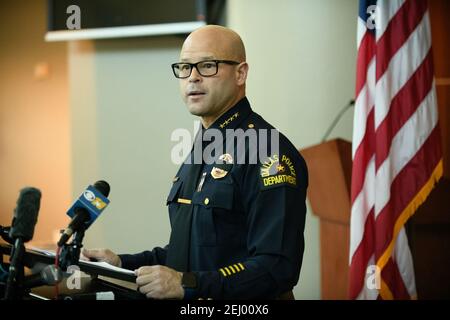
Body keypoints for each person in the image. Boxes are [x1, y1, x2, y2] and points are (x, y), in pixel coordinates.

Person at [83, 25, 308, 300]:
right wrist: (121, 263)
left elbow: (276, 268)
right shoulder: (204, 146)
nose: (193, 77)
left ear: (241, 73)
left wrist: (189, 285)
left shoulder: (268, 153)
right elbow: (193, 252)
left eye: (207, 66)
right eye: (185, 67)